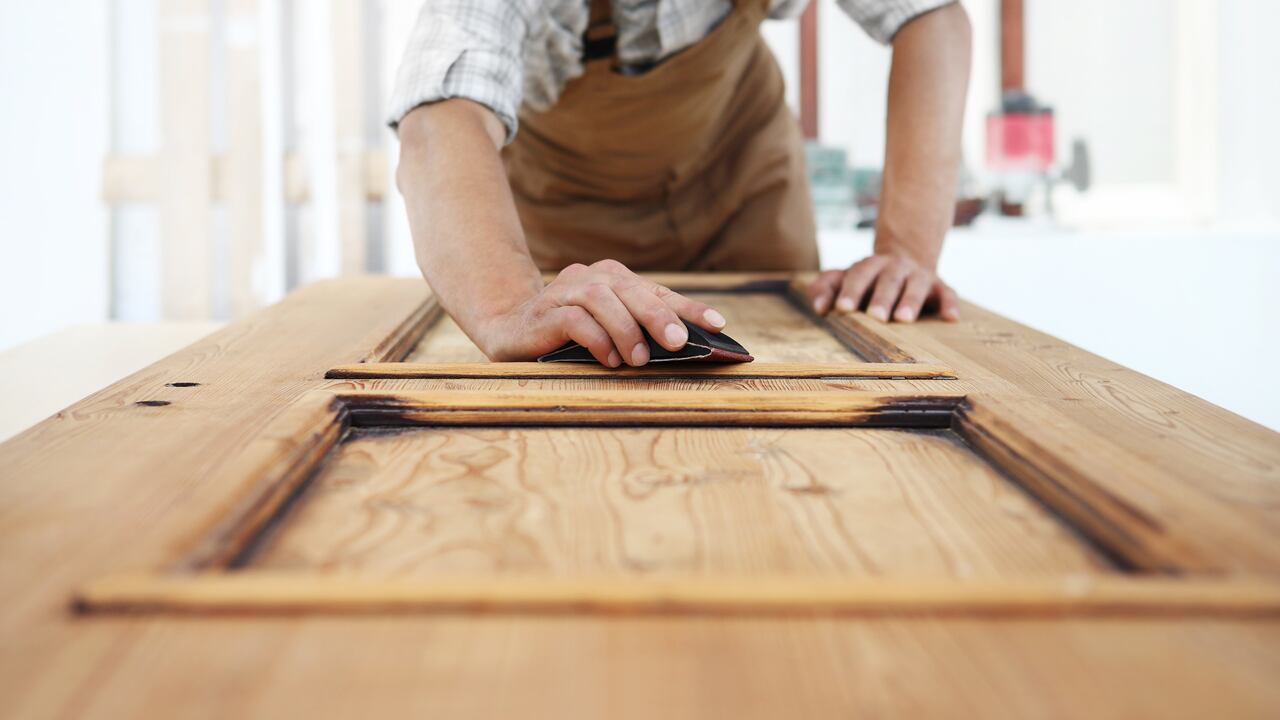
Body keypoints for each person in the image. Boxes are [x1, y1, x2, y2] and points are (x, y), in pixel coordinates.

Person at [391, 0, 970, 366]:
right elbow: (441, 118)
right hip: (566, 209)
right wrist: (506, 307)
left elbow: (930, 15)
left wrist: (905, 253)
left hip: (743, 178)